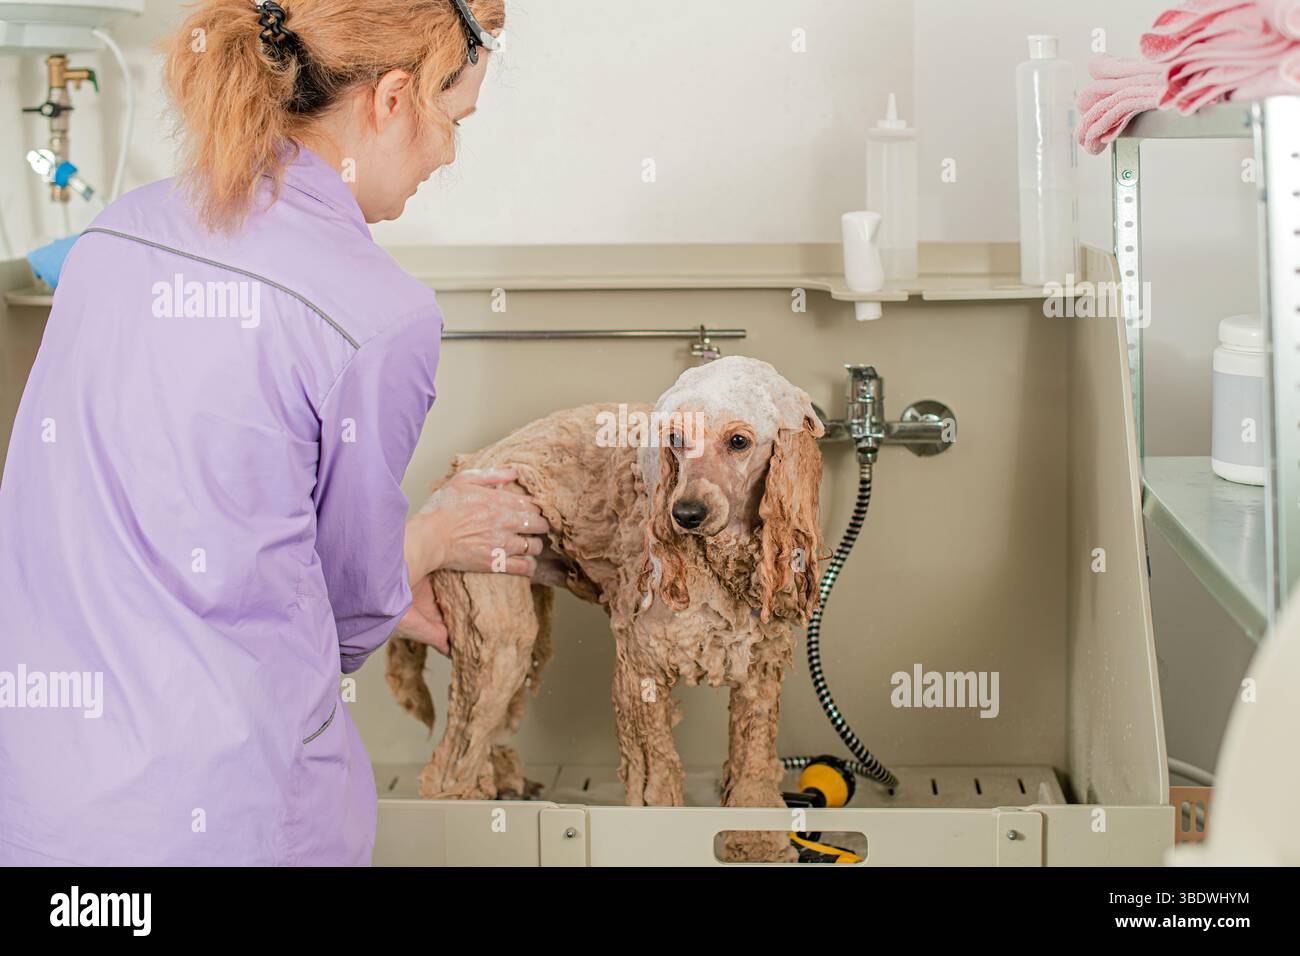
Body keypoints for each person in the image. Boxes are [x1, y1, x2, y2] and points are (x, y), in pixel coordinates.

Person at [0, 0, 542, 865]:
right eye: (454, 121)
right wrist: (435, 536)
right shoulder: (379, 314)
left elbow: (156, 523)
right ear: (393, 99)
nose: (448, 154)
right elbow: (350, 607)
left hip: (40, 807)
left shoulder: (112, 234)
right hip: (222, 815)